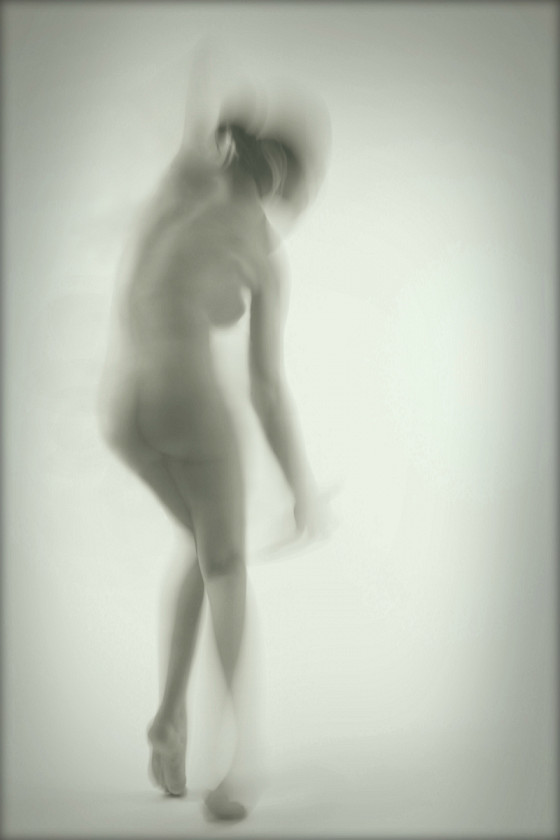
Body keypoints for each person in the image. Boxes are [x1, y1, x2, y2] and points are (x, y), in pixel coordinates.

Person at [97, 70, 330, 821]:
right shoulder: (260, 248)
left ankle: (168, 721)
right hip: (188, 402)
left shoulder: (182, 185)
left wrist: (221, 109)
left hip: (124, 406)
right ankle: (238, 767)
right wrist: (301, 486)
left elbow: (200, 126)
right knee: (226, 565)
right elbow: (266, 388)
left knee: (202, 546)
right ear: (280, 183)